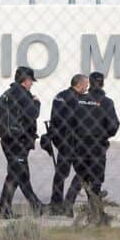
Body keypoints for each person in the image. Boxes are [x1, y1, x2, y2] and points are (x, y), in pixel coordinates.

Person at [63, 72, 120, 218]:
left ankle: (68, 206)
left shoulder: (79, 100)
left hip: (80, 144)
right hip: (97, 145)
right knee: (96, 178)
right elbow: (114, 125)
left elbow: (69, 122)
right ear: (102, 84)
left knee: (81, 175)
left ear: (90, 84)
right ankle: (95, 211)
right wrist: (103, 134)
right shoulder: (106, 102)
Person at [0, 66, 44, 219]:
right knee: (15, 174)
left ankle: (36, 205)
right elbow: (33, 114)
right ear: (26, 80)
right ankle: (4, 209)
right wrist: (37, 102)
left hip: (6, 138)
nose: (32, 84)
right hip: (19, 140)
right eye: (31, 81)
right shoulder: (24, 95)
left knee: (22, 173)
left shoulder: (7, 93)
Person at [44, 74, 87, 216]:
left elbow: (54, 119)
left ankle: (56, 203)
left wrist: (53, 136)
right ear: (80, 85)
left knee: (61, 173)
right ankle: (68, 203)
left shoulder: (60, 96)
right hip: (75, 142)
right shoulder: (79, 100)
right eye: (85, 85)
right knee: (83, 172)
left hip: (62, 141)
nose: (87, 88)